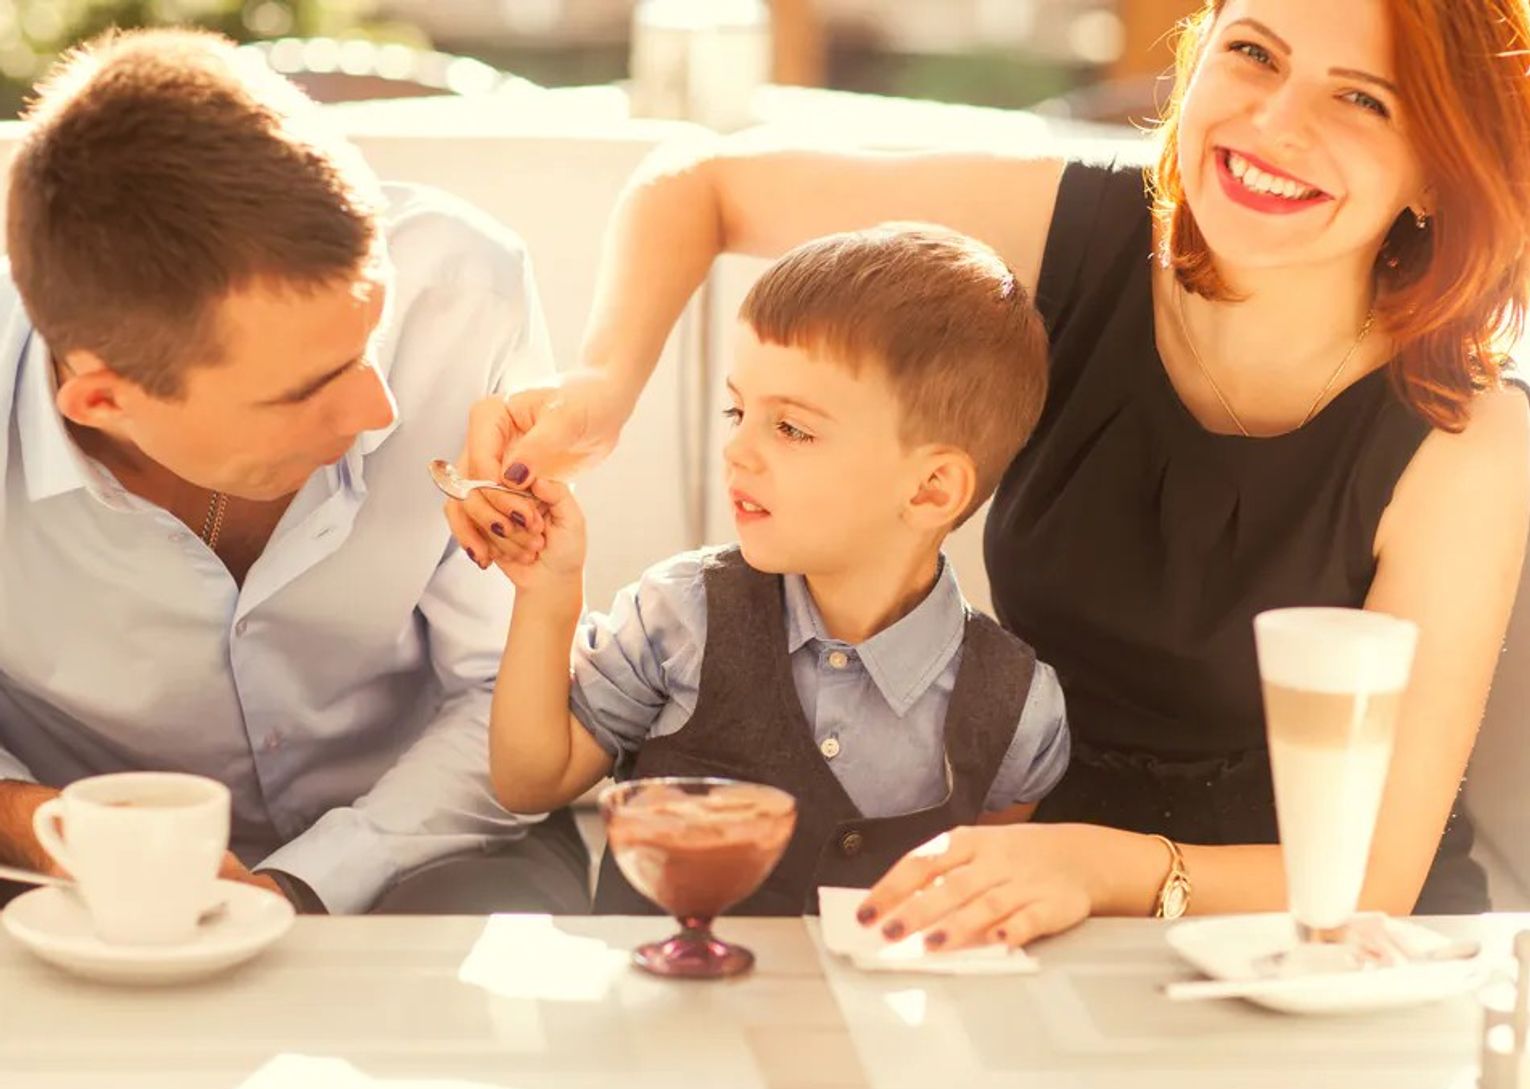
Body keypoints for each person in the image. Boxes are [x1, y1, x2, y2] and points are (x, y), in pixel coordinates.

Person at [449, 0, 1530, 944]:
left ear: (1442, 166)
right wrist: (601, 390)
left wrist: (1093, 867)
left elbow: (1372, 878)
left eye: (1362, 100)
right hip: (1022, 883)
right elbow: (701, 184)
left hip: (1312, 943)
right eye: (1253, 53)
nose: (1274, 122)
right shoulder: (1088, 229)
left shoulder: (1468, 436)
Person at [0, 29, 590, 915]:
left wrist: (305, 884)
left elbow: (499, 687)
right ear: (103, 401)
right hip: (64, 870)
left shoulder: (462, 292)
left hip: (440, 836)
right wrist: (37, 825)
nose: (380, 411)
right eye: (306, 389)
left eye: (371, 340)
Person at [483, 225, 1069, 914]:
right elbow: (530, 781)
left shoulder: (1019, 712)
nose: (737, 449)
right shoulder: (679, 615)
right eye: (738, 410)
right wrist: (549, 591)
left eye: (791, 428)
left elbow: (973, 908)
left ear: (930, 489)